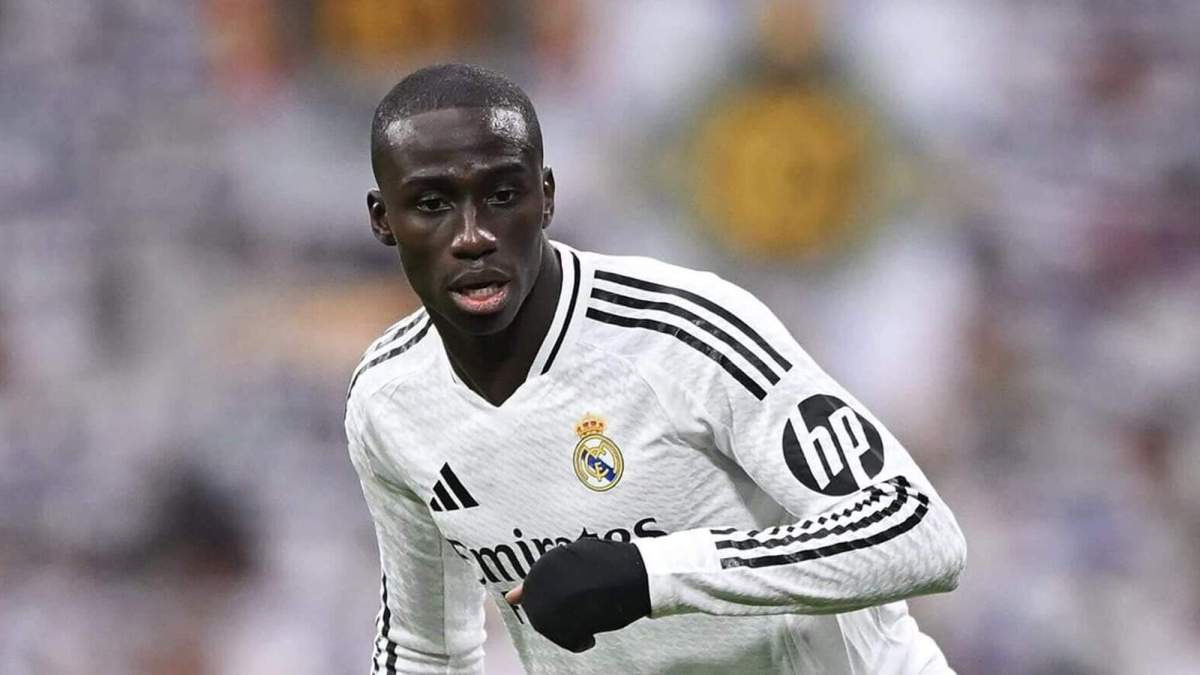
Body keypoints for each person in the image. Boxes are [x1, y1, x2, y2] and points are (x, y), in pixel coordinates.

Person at [346, 63, 967, 675]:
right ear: (382, 219)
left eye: (503, 195)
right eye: (431, 204)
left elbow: (917, 534)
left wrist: (652, 574)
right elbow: (426, 652)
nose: (473, 236)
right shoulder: (391, 402)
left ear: (547, 198)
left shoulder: (681, 332)